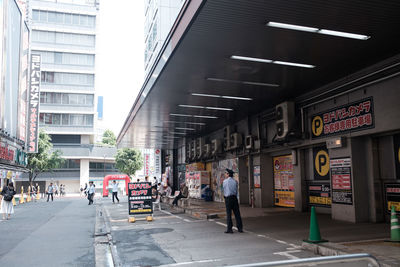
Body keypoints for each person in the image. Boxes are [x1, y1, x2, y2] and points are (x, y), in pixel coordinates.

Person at [223, 169, 243, 233]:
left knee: (229, 214)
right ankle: (240, 228)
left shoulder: (225, 181)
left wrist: (225, 197)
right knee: (237, 213)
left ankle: (229, 229)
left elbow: (224, 190)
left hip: (228, 198)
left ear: (228, 174)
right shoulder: (235, 181)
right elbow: (236, 191)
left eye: (226, 173)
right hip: (234, 198)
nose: (225, 174)